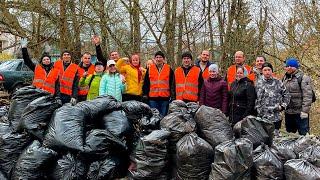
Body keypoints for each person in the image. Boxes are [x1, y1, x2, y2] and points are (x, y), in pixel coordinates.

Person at [255, 62, 290, 135]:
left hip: (275, 116)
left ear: (272, 71)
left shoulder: (278, 82)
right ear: (262, 71)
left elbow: (287, 95)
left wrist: (282, 106)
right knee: (263, 139)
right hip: (262, 117)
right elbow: (254, 97)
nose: (267, 72)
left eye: (269, 70)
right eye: (265, 70)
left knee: (275, 138)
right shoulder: (258, 83)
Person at [282, 58, 314, 135]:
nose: (289, 68)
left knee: (304, 136)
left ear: (296, 67)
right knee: (289, 136)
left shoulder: (303, 78)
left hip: (300, 113)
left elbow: (308, 96)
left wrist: (305, 111)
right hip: (288, 113)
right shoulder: (284, 78)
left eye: (291, 66)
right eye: (287, 66)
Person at [142, 51, 175, 116]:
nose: (158, 59)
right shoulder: (150, 68)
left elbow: (172, 84)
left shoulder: (168, 69)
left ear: (163, 59)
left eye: (160, 57)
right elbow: (146, 83)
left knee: (163, 117)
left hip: (165, 98)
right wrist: (145, 94)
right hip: (152, 98)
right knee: (154, 117)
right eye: (157, 57)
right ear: (154, 59)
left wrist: (172, 96)